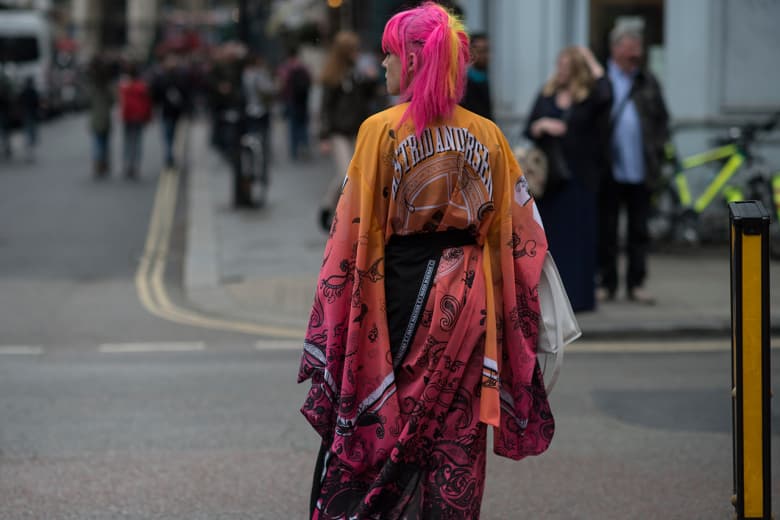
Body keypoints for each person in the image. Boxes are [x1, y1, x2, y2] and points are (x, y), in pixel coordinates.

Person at [299, 4, 554, 518]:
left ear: (413, 61)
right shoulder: (489, 135)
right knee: (453, 433)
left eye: (390, 55)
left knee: (385, 431)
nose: (385, 66)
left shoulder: (381, 130)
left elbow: (352, 234)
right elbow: (522, 237)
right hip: (469, 301)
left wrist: (337, 316)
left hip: (397, 294)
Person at [524, 46, 612, 312]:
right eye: (559, 65)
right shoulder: (546, 93)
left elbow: (607, 94)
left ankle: (578, 299)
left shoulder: (589, 97)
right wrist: (543, 126)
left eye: (567, 66)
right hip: (550, 181)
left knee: (579, 240)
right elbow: (529, 127)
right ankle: (549, 299)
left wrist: (590, 59)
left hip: (580, 178)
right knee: (552, 242)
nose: (560, 70)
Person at [598, 23, 670, 304]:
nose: (635, 54)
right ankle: (607, 283)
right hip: (608, 170)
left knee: (639, 230)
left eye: (638, 49)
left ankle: (636, 283)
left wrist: (658, 148)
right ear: (616, 49)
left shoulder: (647, 81)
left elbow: (662, 119)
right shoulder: (601, 80)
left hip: (641, 168)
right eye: (630, 49)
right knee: (607, 231)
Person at [317, 30, 379, 232]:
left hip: (357, 130)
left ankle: (343, 211)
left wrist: (371, 80)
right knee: (346, 172)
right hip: (338, 132)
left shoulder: (357, 72)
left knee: (355, 173)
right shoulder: (333, 76)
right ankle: (328, 208)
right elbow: (325, 108)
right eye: (353, 49)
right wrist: (324, 136)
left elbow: (368, 98)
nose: (357, 53)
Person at [152, 53, 191, 168]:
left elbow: (186, 92)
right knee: (168, 135)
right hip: (167, 111)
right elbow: (156, 93)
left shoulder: (180, 75)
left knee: (172, 135)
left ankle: (170, 155)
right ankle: (169, 156)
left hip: (176, 111)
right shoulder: (161, 76)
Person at [118, 62, 152, 179]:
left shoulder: (125, 86)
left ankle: (128, 165)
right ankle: (135, 166)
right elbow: (147, 104)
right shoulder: (142, 86)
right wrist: (148, 117)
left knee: (128, 142)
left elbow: (123, 103)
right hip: (139, 117)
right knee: (137, 142)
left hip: (128, 117)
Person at [277, 46, 311, 160]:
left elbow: (281, 84)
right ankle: (305, 146)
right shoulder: (303, 67)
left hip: (290, 100)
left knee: (292, 125)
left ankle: (294, 150)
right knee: (303, 124)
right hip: (303, 100)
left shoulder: (285, 68)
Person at [87, 56, 115, 178]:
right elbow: (112, 100)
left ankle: (98, 165)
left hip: (96, 118)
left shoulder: (92, 86)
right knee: (104, 143)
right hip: (105, 118)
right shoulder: (107, 86)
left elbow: (88, 100)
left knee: (97, 143)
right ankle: (103, 164)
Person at [459, 32, 493, 120]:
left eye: (487, 51)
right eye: (481, 51)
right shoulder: (464, 83)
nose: (485, 56)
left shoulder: (487, 78)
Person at [18, 77, 39, 162]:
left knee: (28, 131)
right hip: (31, 114)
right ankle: (30, 146)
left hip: (27, 114)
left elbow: (19, 102)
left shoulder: (24, 92)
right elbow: (37, 103)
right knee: (31, 131)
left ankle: (29, 146)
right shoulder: (33, 91)